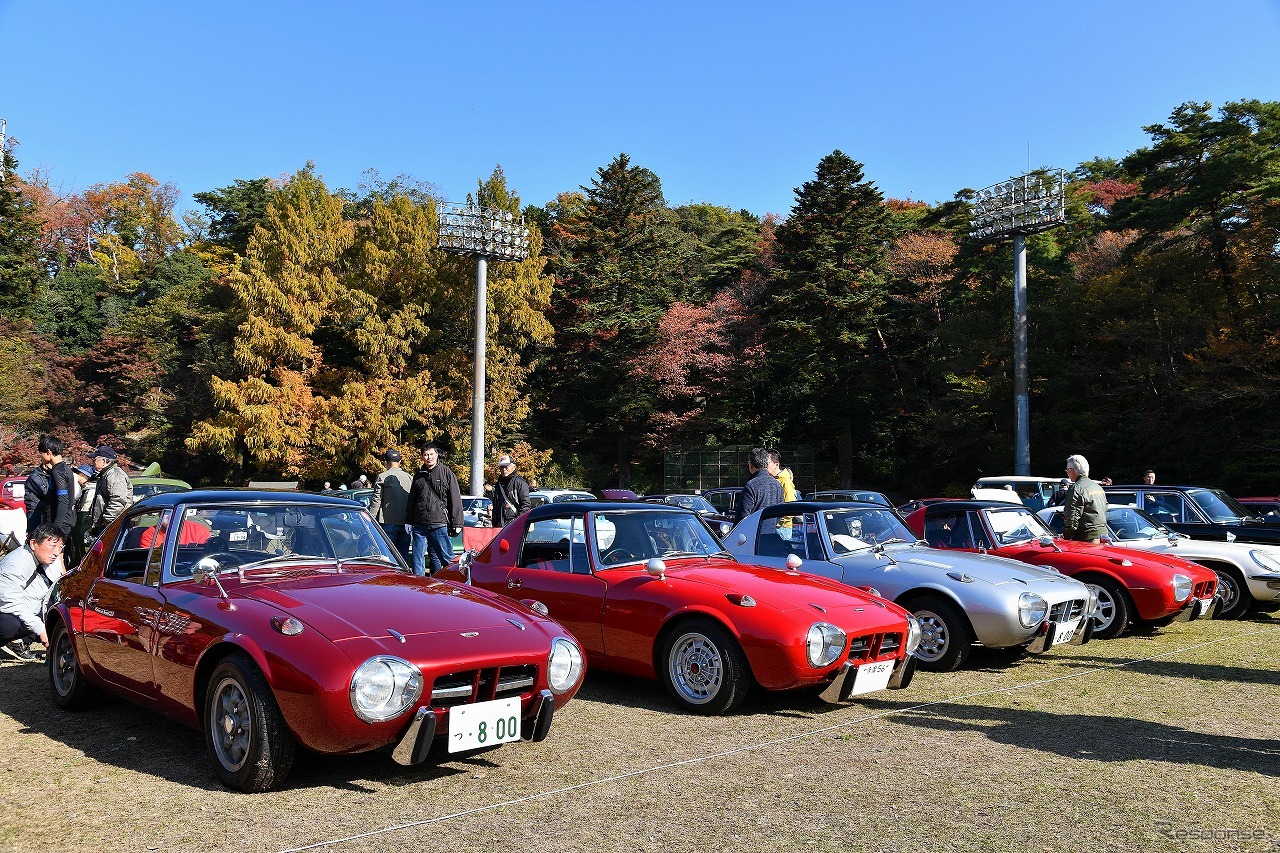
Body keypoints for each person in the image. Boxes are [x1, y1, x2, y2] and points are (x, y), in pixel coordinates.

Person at [0, 524, 63, 661]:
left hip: (17, 609)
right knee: (9, 626)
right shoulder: (16, 563)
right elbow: (10, 603)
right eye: (52, 546)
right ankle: (13, 641)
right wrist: (40, 629)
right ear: (33, 543)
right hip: (5, 610)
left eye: (60, 547)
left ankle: (17, 642)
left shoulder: (41, 561)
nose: (56, 552)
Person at [407, 442, 463, 576]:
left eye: (431, 454)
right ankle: (419, 586)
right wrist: (408, 520)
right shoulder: (418, 475)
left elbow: (455, 498)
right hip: (419, 525)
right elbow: (412, 500)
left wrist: (457, 522)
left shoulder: (446, 473)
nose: (429, 457)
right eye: (425, 454)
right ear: (422, 456)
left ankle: (454, 582)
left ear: (437, 454)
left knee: (447, 558)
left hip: (439, 523)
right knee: (417, 559)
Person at [369, 448, 412, 558]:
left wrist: (370, 519)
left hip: (388, 521)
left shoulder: (382, 477)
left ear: (385, 462)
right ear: (400, 462)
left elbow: (376, 500)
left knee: (389, 556)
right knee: (403, 556)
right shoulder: (409, 477)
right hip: (406, 522)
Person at [36, 435, 77, 541]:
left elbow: (63, 499)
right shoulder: (65, 468)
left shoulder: (57, 471)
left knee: (55, 555)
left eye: (41, 454)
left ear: (48, 452)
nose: (41, 457)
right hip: (68, 518)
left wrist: (56, 527)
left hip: (62, 521)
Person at [1062, 454, 1109, 543]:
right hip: (1103, 537)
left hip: (1086, 539)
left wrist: (1065, 536)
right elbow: (1104, 509)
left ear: (1072, 471)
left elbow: (1071, 518)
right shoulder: (1097, 487)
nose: (1067, 473)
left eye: (1067, 471)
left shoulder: (1076, 488)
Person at [88, 445, 132, 538]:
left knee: (111, 552)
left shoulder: (114, 474)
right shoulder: (107, 474)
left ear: (104, 461)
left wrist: (108, 520)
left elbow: (118, 499)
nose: (93, 463)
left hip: (114, 525)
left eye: (94, 460)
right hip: (110, 524)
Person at [735, 447, 783, 524]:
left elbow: (742, 516)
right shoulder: (777, 485)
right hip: (770, 532)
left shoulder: (751, 485)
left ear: (751, 465)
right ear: (766, 464)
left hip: (753, 533)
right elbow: (780, 512)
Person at [67, 464, 97, 567]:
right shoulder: (77, 484)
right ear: (82, 474)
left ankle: (79, 558)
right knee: (78, 538)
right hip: (81, 514)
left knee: (78, 537)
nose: (87, 480)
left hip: (82, 514)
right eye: (87, 477)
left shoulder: (86, 487)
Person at [492, 454, 531, 527]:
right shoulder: (498, 484)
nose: (504, 469)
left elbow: (526, 505)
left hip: (514, 526)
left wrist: (516, 523)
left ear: (514, 466)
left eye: (506, 466)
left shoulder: (520, 482)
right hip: (499, 527)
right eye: (501, 467)